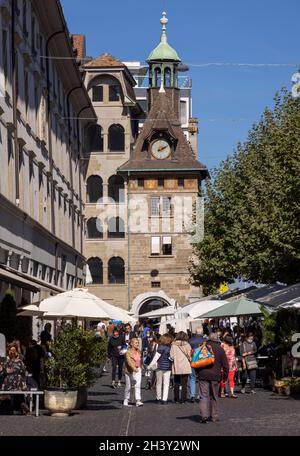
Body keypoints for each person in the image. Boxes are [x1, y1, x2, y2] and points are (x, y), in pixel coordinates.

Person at [197, 332, 229, 423]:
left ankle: (204, 415)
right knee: (214, 396)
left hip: (203, 375)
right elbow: (226, 365)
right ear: (216, 339)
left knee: (203, 396)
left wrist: (197, 373)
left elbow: (196, 361)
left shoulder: (202, 347)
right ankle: (214, 416)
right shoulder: (220, 349)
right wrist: (225, 377)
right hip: (215, 376)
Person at [1, 342, 29, 415]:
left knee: (13, 396)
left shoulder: (10, 362)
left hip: (12, 382)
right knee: (16, 395)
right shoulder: (17, 362)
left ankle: (15, 407)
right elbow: (25, 372)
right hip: (16, 382)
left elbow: (6, 371)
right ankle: (20, 406)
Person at [170, 331, 192, 404]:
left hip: (177, 365)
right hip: (185, 365)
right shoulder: (187, 345)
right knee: (184, 383)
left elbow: (171, 356)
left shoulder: (173, 345)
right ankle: (183, 399)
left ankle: (176, 398)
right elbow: (189, 355)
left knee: (176, 382)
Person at [123, 338, 143, 407]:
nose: (137, 344)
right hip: (130, 371)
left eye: (138, 343)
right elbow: (129, 362)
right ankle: (126, 399)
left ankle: (138, 400)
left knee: (137, 385)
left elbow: (140, 360)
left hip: (138, 370)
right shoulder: (128, 352)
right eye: (136, 343)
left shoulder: (139, 351)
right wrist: (134, 368)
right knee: (128, 386)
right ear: (131, 344)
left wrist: (141, 367)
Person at [155, 334, 173, 404]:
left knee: (159, 383)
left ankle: (158, 398)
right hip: (168, 367)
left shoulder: (160, 348)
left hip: (159, 367)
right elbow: (172, 358)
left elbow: (156, 358)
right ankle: (164, 399)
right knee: (166, 383)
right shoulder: (170, 348)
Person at [189, 327, 204, 403]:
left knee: (192, 378)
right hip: (203, 361)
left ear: (195, 332)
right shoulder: (205, 341)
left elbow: (189, 351)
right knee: (202, 379)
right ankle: (201, 395)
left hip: (193, 361)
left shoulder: (191, 340)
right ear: (201, 332)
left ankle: (192, 395)